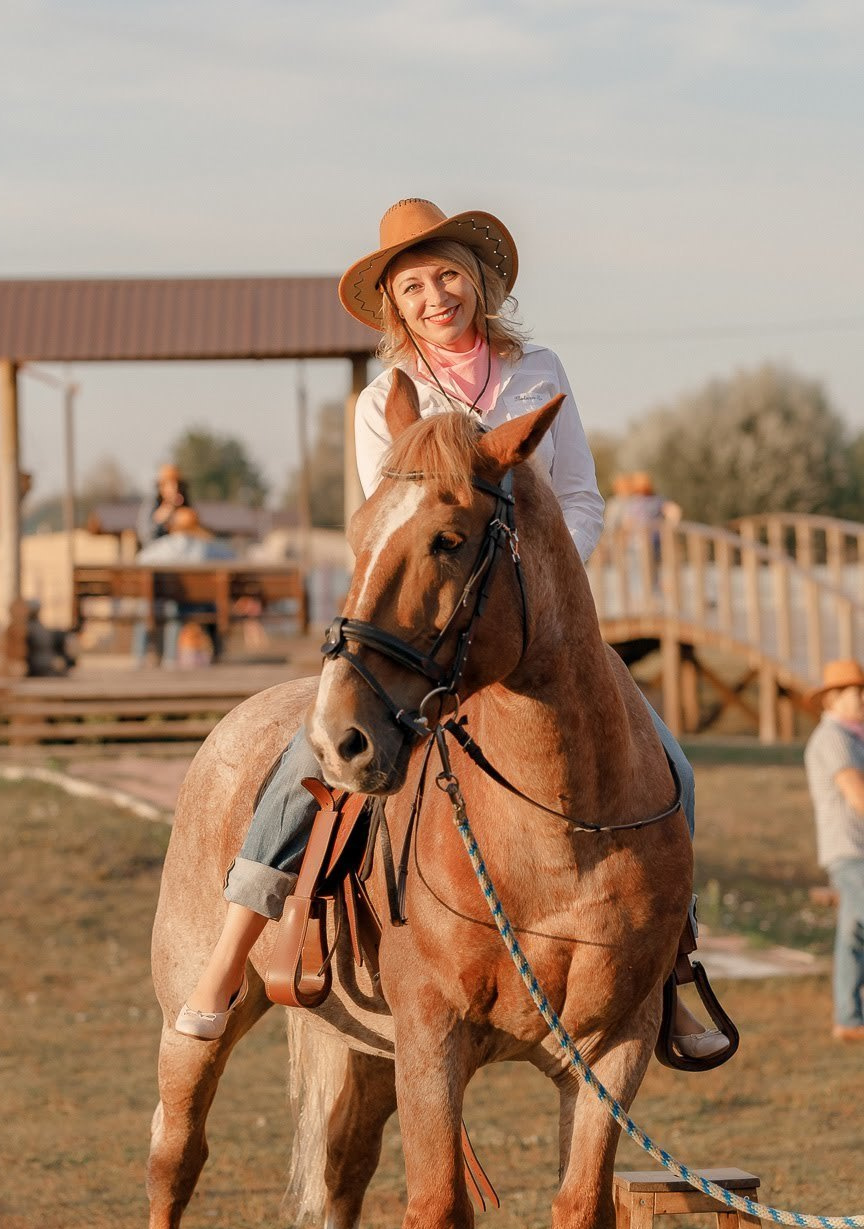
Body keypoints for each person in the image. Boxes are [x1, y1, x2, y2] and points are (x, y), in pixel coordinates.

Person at [175, 198, 727, 1062]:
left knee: (672, 768)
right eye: (414, 285)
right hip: (430, 626)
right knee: (310, 759)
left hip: (540, 621)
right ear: (394, 306)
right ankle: (233, 948)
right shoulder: (382, 402)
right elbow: (390, 526)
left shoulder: (538, 370)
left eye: (448, 276)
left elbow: (579, 494)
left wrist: (547, 586)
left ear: (477, 282)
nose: (437, 295)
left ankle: (667, 972)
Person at [804, 659, 864, 1041]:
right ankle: (848, 1016)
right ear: (830, 701)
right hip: (848, 849)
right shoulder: (833, 739)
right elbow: (857, 794)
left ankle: (849, 1016)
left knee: (855, 927)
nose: (859, 699)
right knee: (856, 927)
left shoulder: (856, 735)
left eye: (861, 692)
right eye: (851, 693)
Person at [132, 507, 233, 666]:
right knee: (211, 607)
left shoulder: (164, 546)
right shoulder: (207, 547)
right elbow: (232, 558)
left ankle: (143, 658)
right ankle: (218, 654)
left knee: (150, 608)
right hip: (199, 605)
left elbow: (140, 560)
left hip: (169, 603)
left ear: (173, 525)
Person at [136, 463, 194, 545]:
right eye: (171, 484)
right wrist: (161, 520)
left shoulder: (184, 503)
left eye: (178, 484)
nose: (176, 488)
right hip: (159, 549)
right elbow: (146, 535)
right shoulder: (153, 503)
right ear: (161, 486)